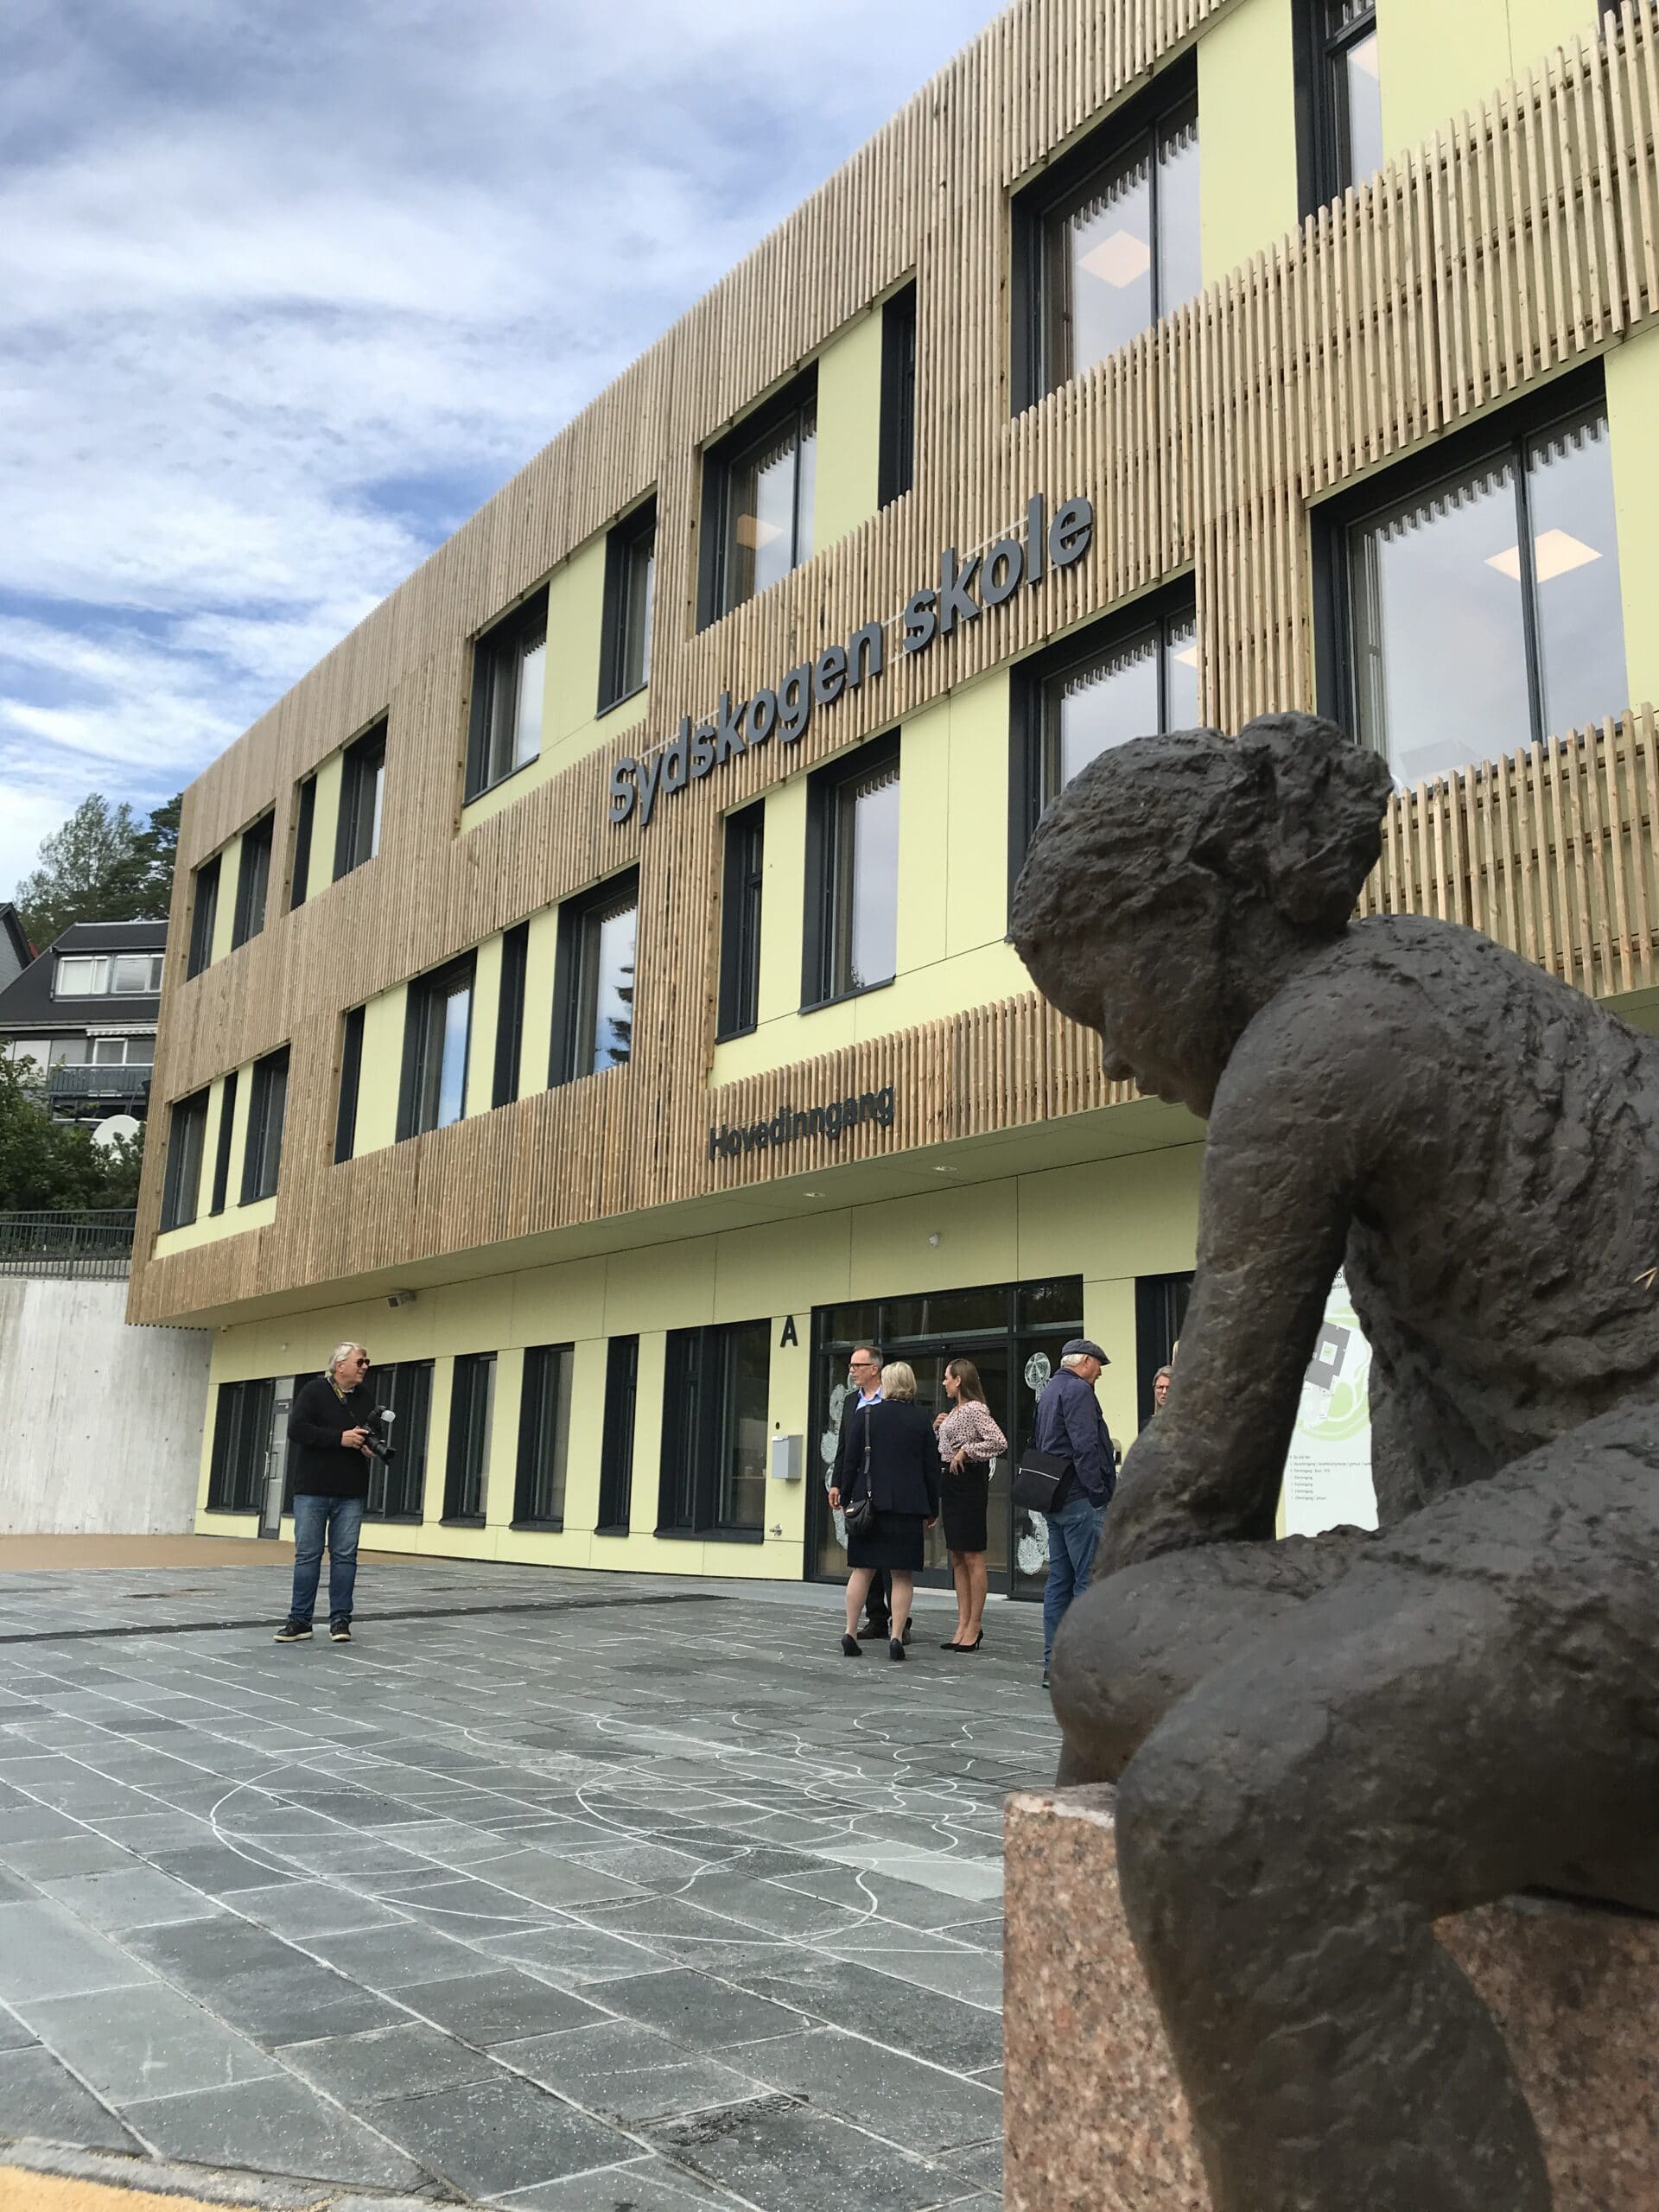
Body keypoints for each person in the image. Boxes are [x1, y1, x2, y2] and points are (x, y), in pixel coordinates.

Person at [1012, 710, 1659, 2209]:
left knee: (1231, 1807)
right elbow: (1437, 1445)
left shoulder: (1321, 1045)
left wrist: (1087, 1729)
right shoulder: (1411, 990)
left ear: (1194, 914)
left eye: (1101, 1001)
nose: (1110, 1058)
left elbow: (1192, 1492)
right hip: (1583, 1533)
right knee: (1116, 1653)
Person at [829, 1361, 939, 1661]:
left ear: (887, 1384)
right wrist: (933, 1508)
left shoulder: (866, 1416)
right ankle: (896, 1636)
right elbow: (931, 1469)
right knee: (901, 1575)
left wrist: (841, 1491)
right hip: (908, 1506)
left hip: (868, 1504)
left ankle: (850, 1631)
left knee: (862, 1571)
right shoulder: (921, 1420)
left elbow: (851, 1461)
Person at [275, 1342, 374, 1644]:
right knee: (308, 1556)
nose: (365, 1367)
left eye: (366, 1362)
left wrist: (371, 1446)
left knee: (345, 1557)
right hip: (313, 1490)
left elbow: (371, 1431)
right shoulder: (314, 1391)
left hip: (351, 1491)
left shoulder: (367, 1398)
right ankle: (300, 1621)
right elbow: (297, 1430)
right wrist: (338, 1439)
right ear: (339, 1365)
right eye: (360, 1361)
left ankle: (340, 1621)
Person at [1031, 1338, 1115, 1687]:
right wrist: (1097, 1492)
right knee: (1086, 1582)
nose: (1099, 1374)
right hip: (1080, 1499)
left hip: (1054, 1497)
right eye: (1098, 1366)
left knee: (1059, 1582)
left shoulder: (1050, 1390)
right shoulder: (1079, 1391)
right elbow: (1085, 1445)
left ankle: (1054, 1664)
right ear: (1084, 1363)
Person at [932, 1358, 1007, 1651]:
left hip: (969, 1482)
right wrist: (940, 1427)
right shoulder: (957, 1410)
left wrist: (967, 1450)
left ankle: (975, 1624)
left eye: (947, 1378)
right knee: (957, 1555)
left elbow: (999, 1442)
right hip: (951, 1481)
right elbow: (944, 1449)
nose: (944, 1383)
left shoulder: (976, 1409)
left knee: (973, 1554)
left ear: (959, 1380)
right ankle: (962, 1622)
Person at [830, 1345, 899, 1641]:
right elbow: (844, 1447)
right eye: (850, 1365)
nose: (851, 1370)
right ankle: (876, 1618)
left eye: (857, 1365)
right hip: (858, 1486)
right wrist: (837, 1484)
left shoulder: (893, 1397)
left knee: (891, 1558)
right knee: (865, 1552)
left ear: (875, 1368)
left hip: (889, 1485)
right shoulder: (849, 1403)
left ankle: (900, 1622)